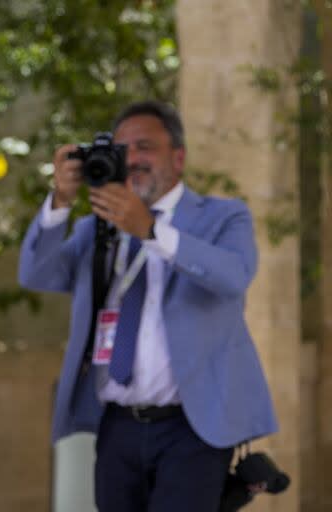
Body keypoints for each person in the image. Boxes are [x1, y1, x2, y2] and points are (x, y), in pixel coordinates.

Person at [18, 100, 278, 512]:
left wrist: (151, 230)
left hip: (193, 426)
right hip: (118, 424)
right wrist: (60, 204)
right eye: (123, 149)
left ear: (178, 157)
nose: (133, 159)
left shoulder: (224, 217)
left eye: (145, 147)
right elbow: (37, 274)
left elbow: (233, 276)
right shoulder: (97, 226)